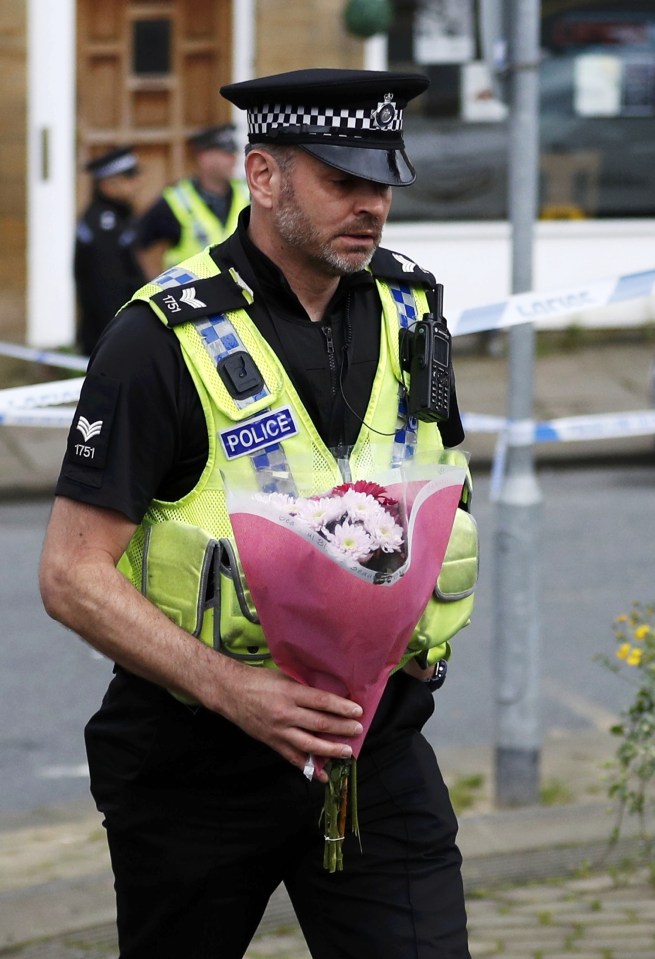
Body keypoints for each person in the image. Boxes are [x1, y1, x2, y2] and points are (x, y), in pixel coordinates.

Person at [40, 68, 478, 959]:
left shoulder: (411, 307)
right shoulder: (157, 339)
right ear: (265, 175)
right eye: (342, 182)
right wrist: (234, 689)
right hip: (197, 765)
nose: (372, 206)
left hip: (373, 752)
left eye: (382, 182)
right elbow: (71, 575)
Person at [136, 122, 249, 276]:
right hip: (190, 296)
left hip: (242, 294)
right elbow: (140, 243)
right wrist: (156, 284)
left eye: (233, 153)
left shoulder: (248, 193)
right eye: (226, 154)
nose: (233, 160)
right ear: (204, 158)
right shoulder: (177, 199)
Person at [73, 146, 146, 356]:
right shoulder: (103, 225)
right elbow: (108, 289)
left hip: (119, 330)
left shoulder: (117, 216)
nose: (138, 182)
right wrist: (120, 335)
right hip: (110, 336)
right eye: (129, 177)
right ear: (108, 183)